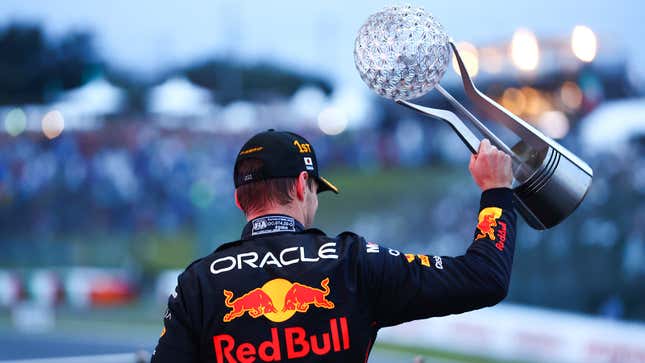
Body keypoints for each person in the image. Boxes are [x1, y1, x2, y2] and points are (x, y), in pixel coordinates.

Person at [151, 129, 515, 362]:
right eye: (315, 192)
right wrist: (496, 191)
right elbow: (484, 277)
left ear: (238, 200)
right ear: (300, 186)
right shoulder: (353, 263)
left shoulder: (197, 282)